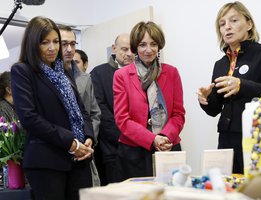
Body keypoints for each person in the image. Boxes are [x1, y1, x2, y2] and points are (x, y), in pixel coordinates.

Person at [197, 1, 261, 174]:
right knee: (228, 190)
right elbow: (215, 109)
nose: (227, 27)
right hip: (226, 140)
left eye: (233, 20)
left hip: (257, 138)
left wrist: (242, 85)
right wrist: (206, 99)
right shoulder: (220, 64)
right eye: (222, 24)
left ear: (249, 24)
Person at [10, 16, 94, 200]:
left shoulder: (63, 71)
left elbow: (82, 111)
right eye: (44, 42)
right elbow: (29, 118)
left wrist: (88, 137)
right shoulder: (22, 71)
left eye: (56, 42)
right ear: (33, 43)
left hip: (79, 159)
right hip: (47, 162)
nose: (52, 48)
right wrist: (71, 143)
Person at [113, 21, 186, 181]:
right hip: (134, 152)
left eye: (153, 44)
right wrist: (152, 139)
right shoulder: (122, 76)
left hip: (168, 147)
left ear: (159, 46)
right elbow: (122, 119)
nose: (148, 50)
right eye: (142, 44)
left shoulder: (172, 72)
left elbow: (178, 114)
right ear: (135, 47)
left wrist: (166, 136)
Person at [59, 25, 101, 186]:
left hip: (84, 147)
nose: (69, 49)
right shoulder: (47, 76)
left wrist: (89, 138)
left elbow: (93, 113)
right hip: (61, 145)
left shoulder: (85, 78)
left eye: (73, 44)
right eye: (63, 43)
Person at [90, 33, 134, 185]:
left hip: (141, 149)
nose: (129, 54)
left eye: (132, 49)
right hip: (114, 149)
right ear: (114, 49)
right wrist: (128, 135)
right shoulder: (99, 73)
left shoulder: (141, 73)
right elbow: (100, 110)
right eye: (124, 49)